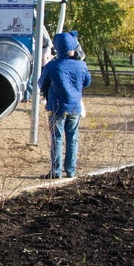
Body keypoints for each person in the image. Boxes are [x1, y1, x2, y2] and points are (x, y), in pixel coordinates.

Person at [38, 31, 91, 179]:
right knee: (72, 138)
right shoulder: (81, 65)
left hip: (56, 108)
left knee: (57, 138)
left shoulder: (52, 66)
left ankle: (56, 171)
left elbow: (41, 84)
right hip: (74, 107)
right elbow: (87, 82)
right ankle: (71, 170)